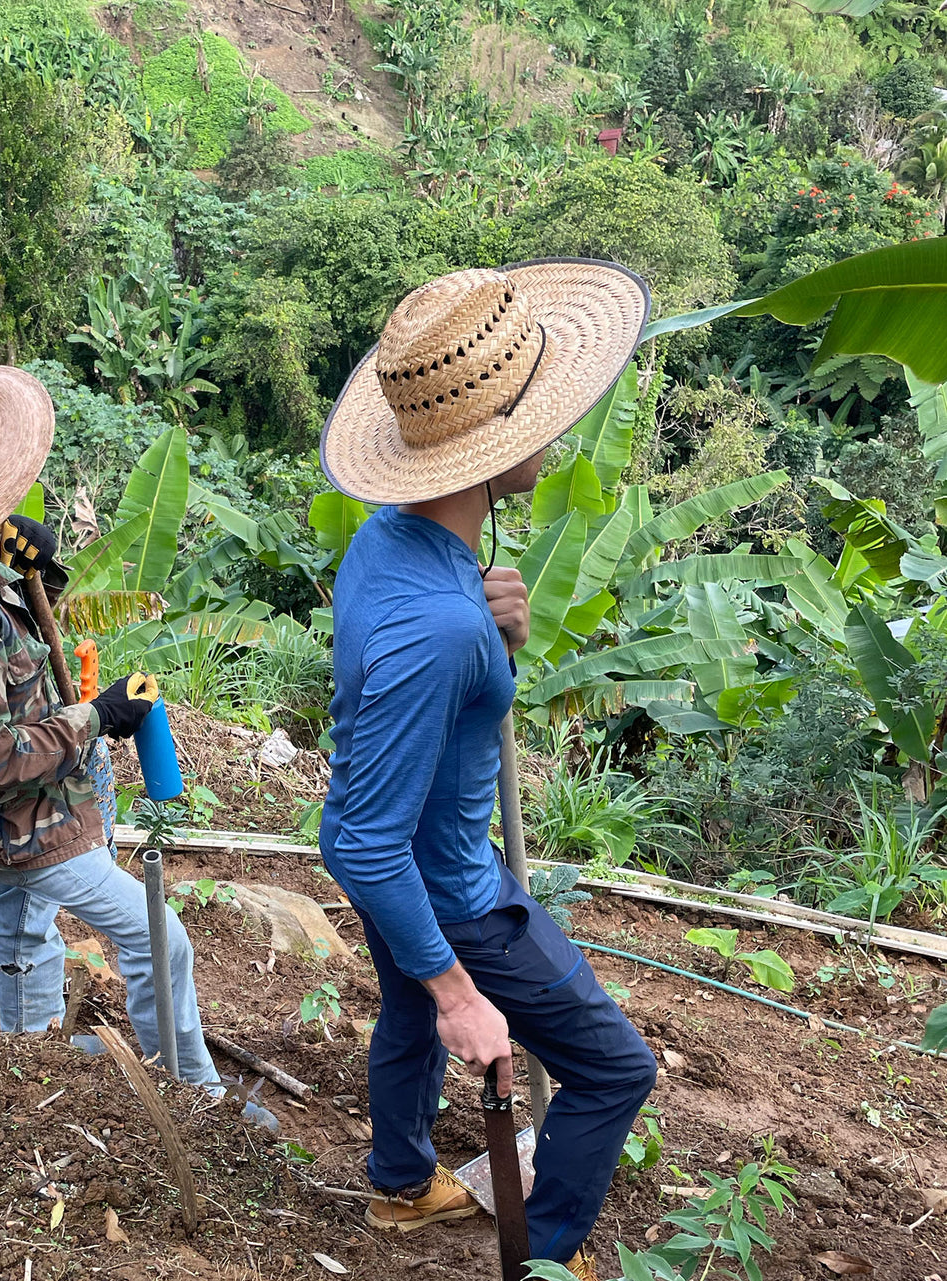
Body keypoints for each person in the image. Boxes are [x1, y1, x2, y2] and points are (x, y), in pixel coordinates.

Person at [317, 262, 660, 1279]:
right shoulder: (439, 624)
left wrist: (499, 640)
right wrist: (462, 987)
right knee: (613, 1068)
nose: (557, 435)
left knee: (405, 1010)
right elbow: (359, 843)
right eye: (539, 416)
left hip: (417, 873)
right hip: (453, 893)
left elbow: (427, 701)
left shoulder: (393, 544)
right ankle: (539, 1256)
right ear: (489, 449)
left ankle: (400, 1184)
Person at [0, 363, 220, 1084]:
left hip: (1, 818)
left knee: (23, 926)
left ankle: (28, 1061)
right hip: (18, 818)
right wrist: (98, 713)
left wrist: (31, 574)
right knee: (158, 937)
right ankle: (190, 1089)